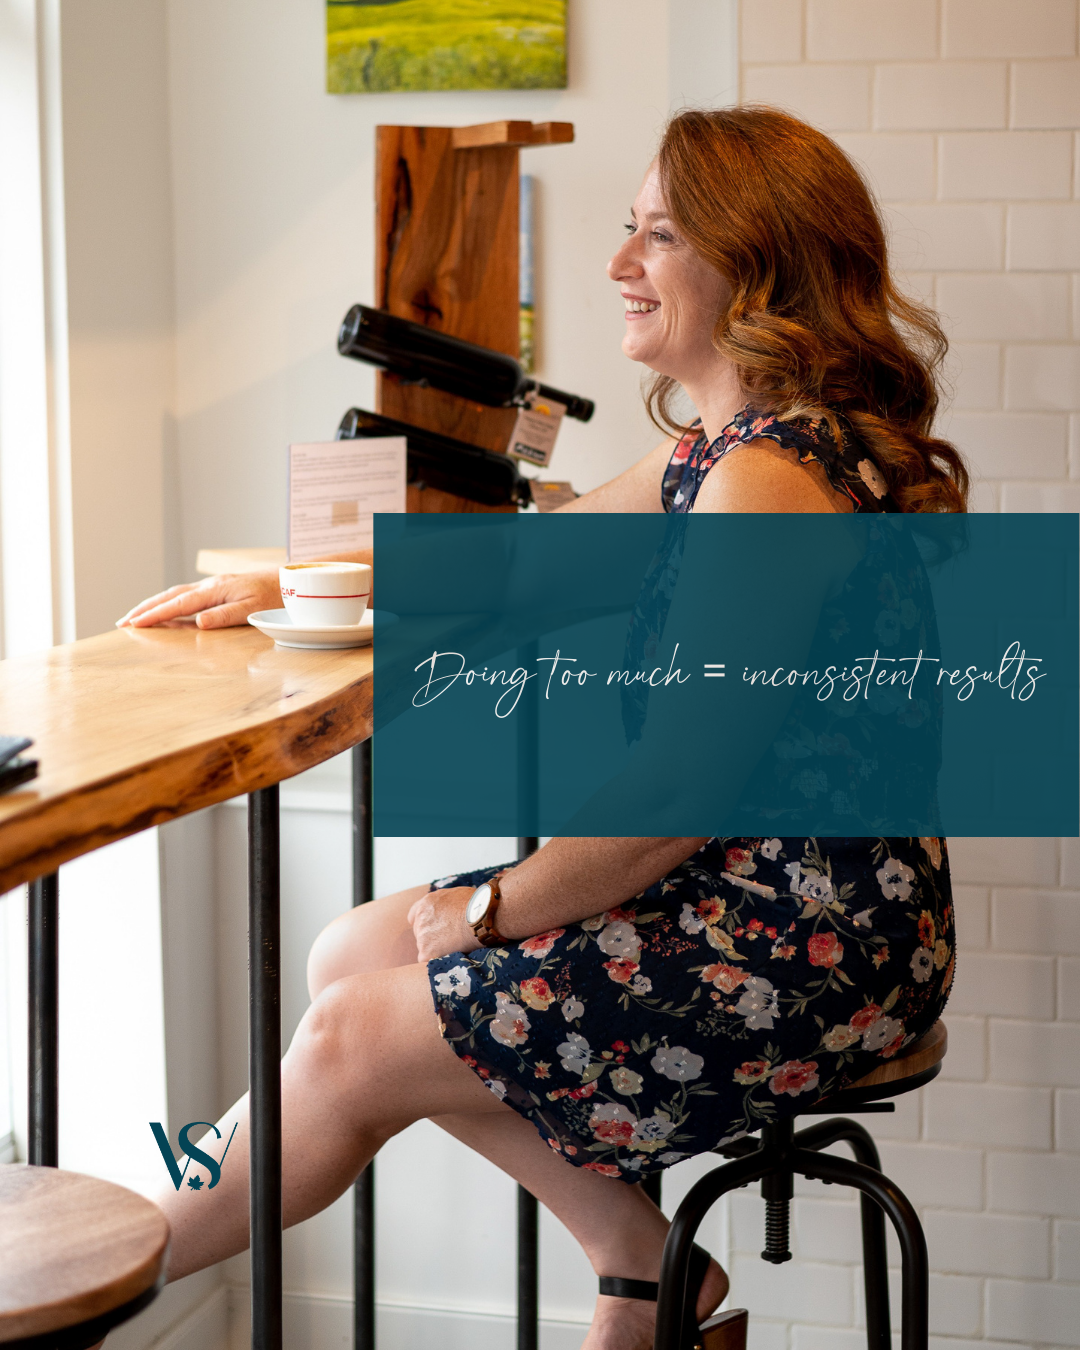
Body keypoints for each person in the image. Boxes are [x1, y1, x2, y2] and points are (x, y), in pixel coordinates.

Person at [114, 106, 966, 1350]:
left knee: (356, 1028)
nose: (619, 263)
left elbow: (673, 796)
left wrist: (489, 909)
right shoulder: (726, 455)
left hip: (808, 947)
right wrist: (300, 582)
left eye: (659, 235)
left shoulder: (766, 482)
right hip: (774, 900)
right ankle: (650, 1278)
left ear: (756, 265)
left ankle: (99, 1272)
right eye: (630, 227)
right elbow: (522, 565)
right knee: (354, 956)